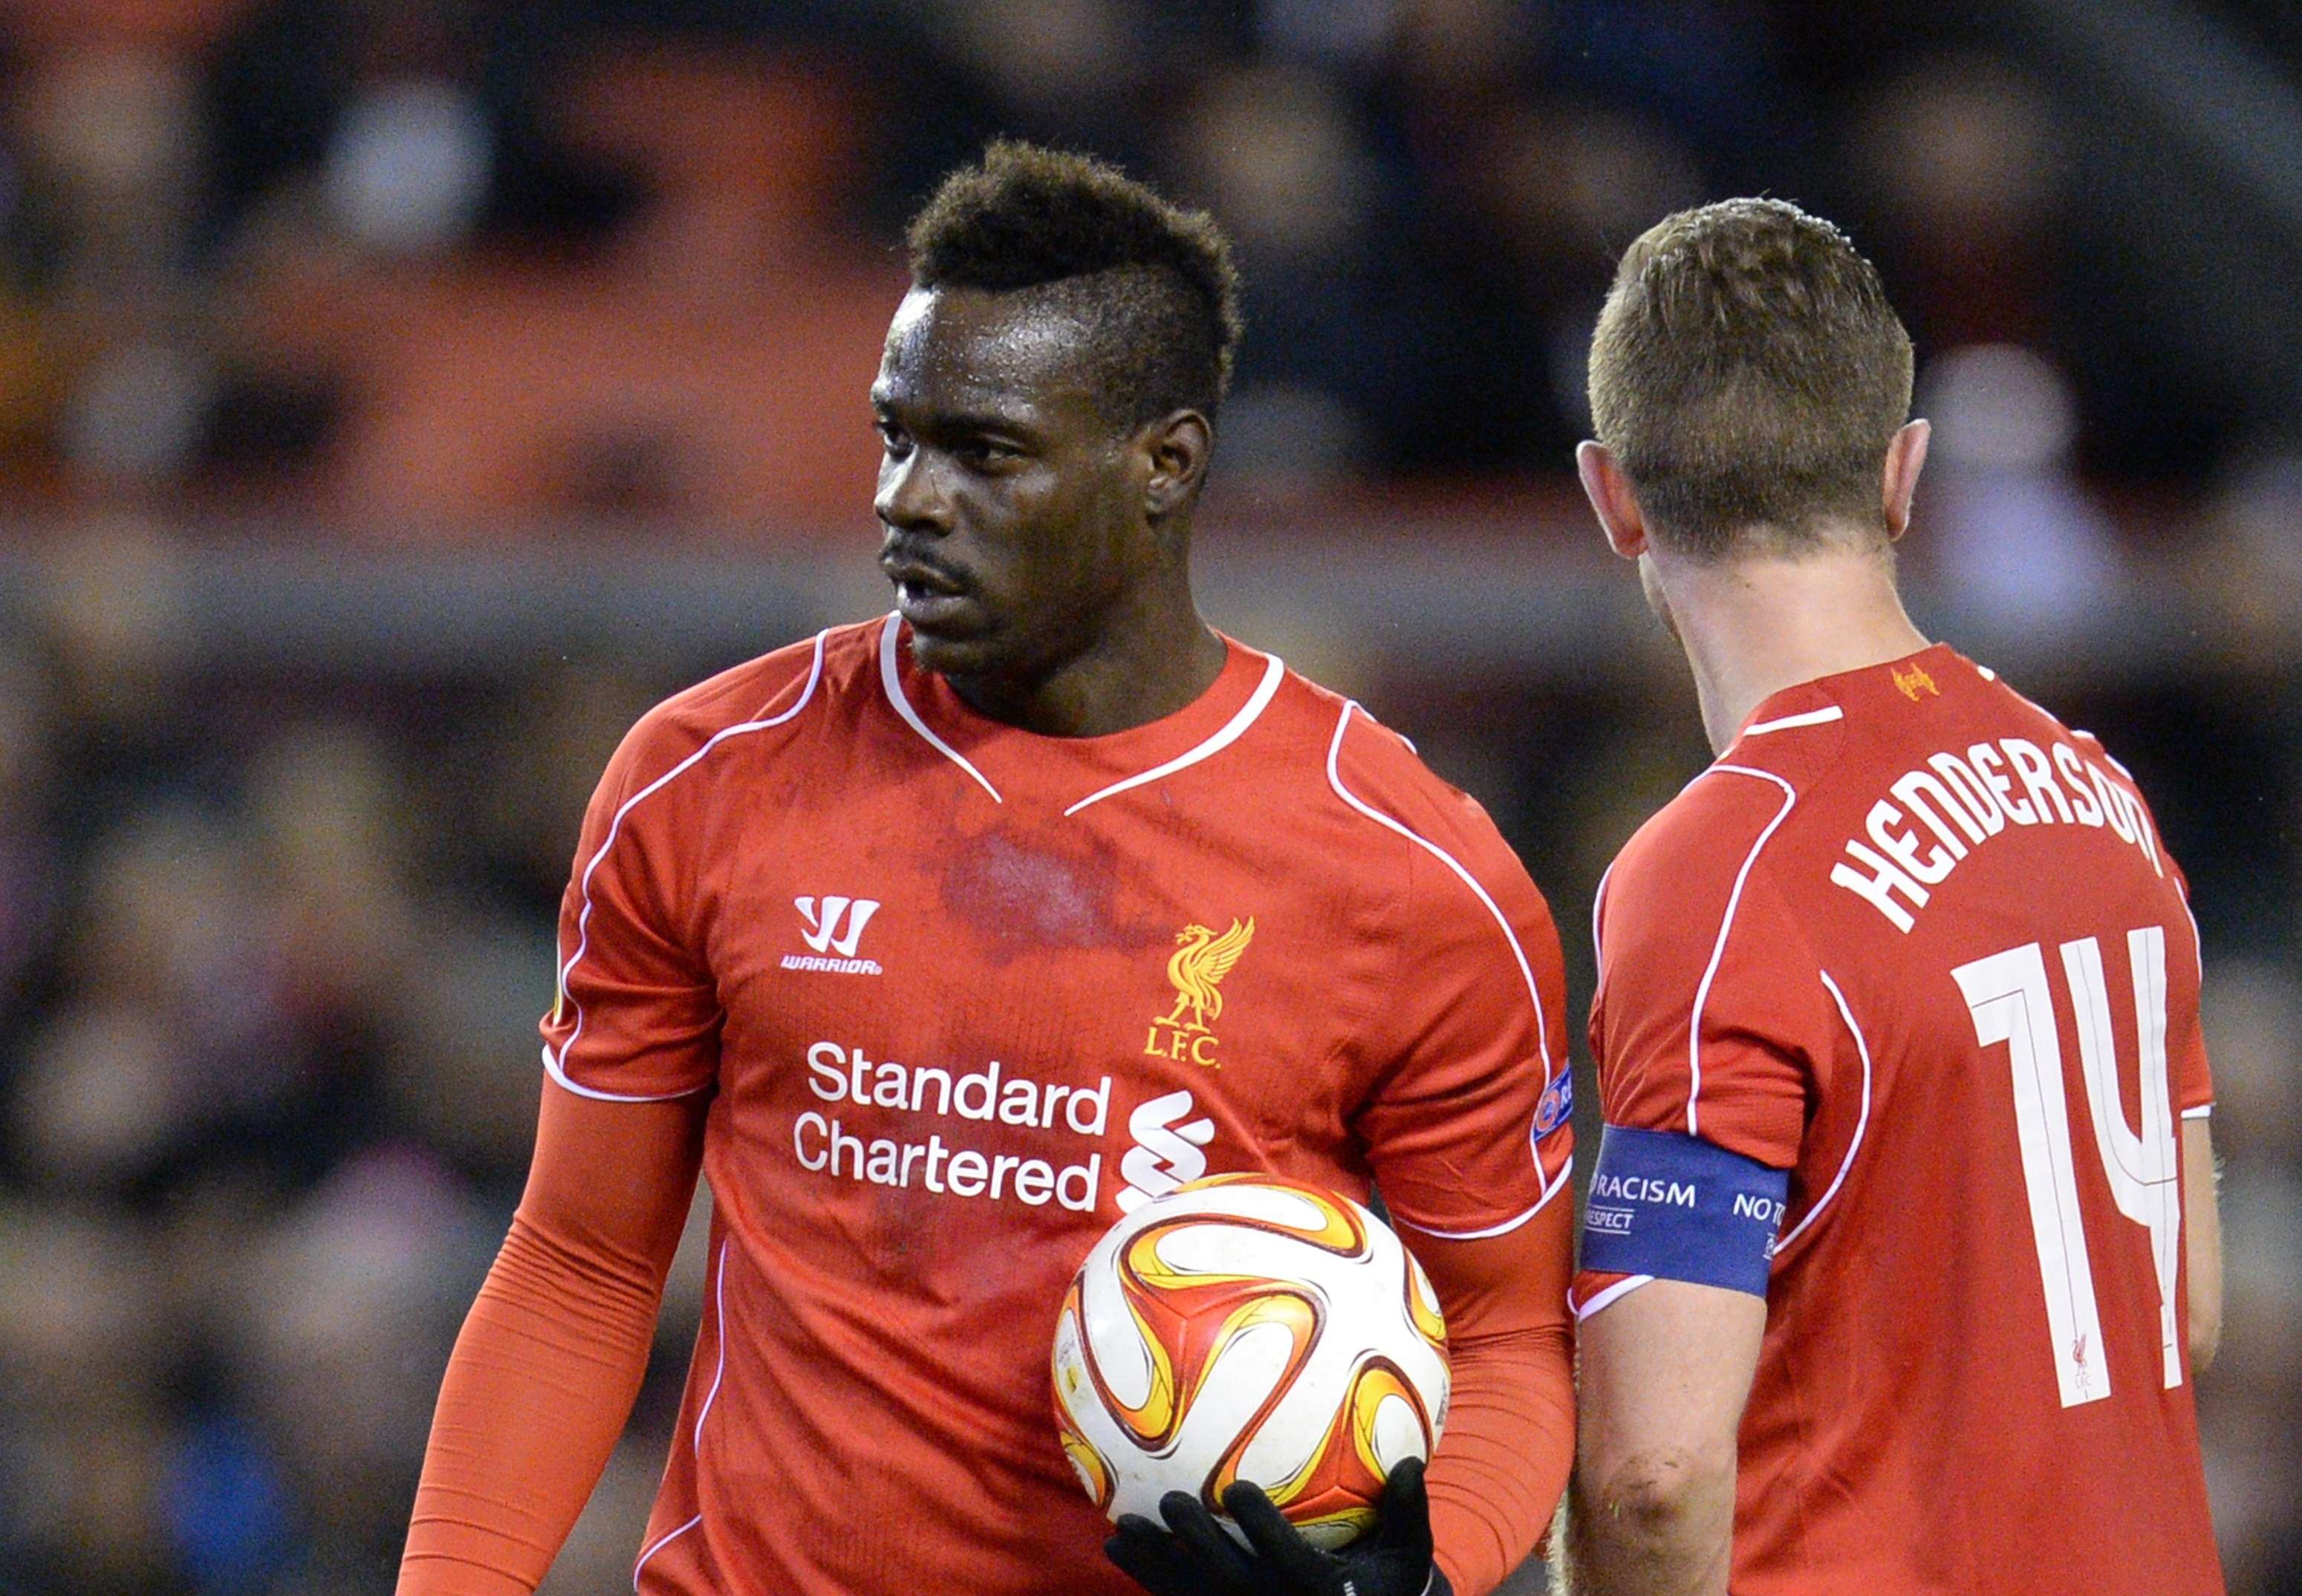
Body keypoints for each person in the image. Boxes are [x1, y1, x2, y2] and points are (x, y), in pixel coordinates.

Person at [394, 141, 1576, 1596]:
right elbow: (580, 1262)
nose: (907, 497)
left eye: (985, 452)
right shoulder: (703, 776)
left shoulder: (1408, 875)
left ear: (1165, 464)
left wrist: (1427, 1574)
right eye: (894, 436)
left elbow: (1511, 1338)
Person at [1564, 197, 2224, 1595]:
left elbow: (1655, 1474)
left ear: (1613, 498)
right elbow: (2183, 1309)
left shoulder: (1717, 877)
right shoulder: (2104, 800)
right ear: (1903, 472)